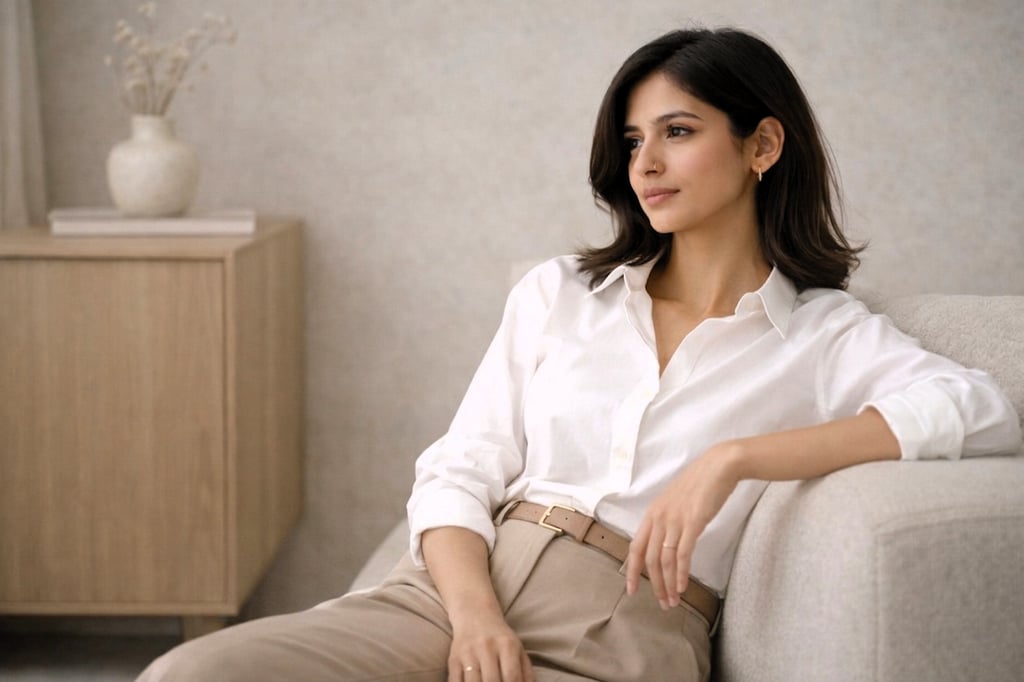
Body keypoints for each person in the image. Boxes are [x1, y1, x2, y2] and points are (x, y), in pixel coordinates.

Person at [139, 26, 1021, 682]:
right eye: (634, 141)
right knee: (190, 676)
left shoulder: (825, 335)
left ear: (762, 144)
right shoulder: (562, 293)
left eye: (678, 131)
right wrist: (477, 619)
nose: (646, 163)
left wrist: (736, 458)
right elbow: (459, 472)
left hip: (627, 629)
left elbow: (981, 409)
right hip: (455, 590)